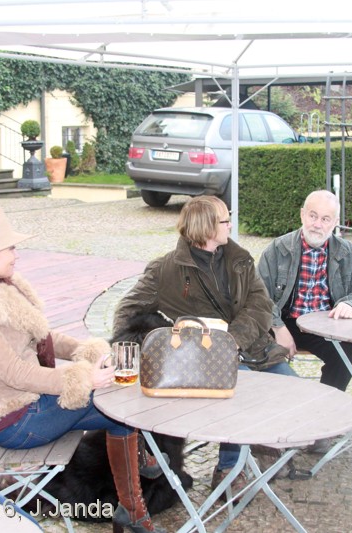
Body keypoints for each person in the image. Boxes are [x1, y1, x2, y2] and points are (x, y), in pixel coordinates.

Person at [0, 205, 164, 533]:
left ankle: (131, 508)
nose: (16, 254)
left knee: (119, 405)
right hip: (15, 421)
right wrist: (83, 378)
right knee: (116, 401)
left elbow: (43, 337)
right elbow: (14, 373)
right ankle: (136, 500)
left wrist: (86, 350)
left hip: (33, 405)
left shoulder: (0, 288)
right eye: (10, 247)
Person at [113, 195, 296, 493]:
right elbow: (127, 309)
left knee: (293, 390)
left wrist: (232, 341)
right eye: (226, 221)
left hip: (253, 349)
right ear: (207, 227)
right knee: (238, 397)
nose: (231, 225)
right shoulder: (165, 269)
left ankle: (266, 448)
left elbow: (261, 305)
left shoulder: (240, 260)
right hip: (203, 361)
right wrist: (127, 352)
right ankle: (229, 469)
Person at [257, 190, 352, 452]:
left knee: (347, 354)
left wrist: (350, 303)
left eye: (325, 219)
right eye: (313, 216)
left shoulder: (348, 253)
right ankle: (276, 424)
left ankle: (322, 420)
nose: (317, 224)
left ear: (335, 223)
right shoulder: (278, 249)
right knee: (261, 354)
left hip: (325, 324)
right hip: (284, 320)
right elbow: (258, 296)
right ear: (302, 215)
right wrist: (278, 328)